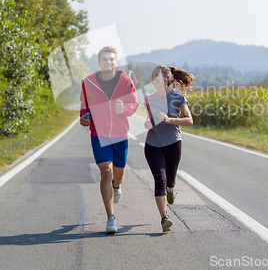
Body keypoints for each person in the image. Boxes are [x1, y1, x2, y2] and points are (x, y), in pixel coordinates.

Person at [79, 46, 138, 234]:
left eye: (111, 60)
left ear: (116, 62)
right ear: (99, 63)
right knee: (106, 170)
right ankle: (111, 217)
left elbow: (134, 103)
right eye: (105, 60)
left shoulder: (126, 81)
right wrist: (83, 118)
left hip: (120, 133)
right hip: (99, 132)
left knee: (118, 174)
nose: (108, 63)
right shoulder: (88, 82)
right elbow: (84, 107)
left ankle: (117, 186)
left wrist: (125, 110)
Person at [143, 65, 195, 232]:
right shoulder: (148, 98)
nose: (153, 81)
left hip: (173, 143)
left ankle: (171, 190)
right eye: (152, 78)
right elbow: (148, 119)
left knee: (169, 182)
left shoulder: (177, 97)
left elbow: (189, 120)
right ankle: (164, 217)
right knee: (160, 180)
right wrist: (147, 123)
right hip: (152, 145)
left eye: (156, 78)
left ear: (166, 79)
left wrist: (169, 120)